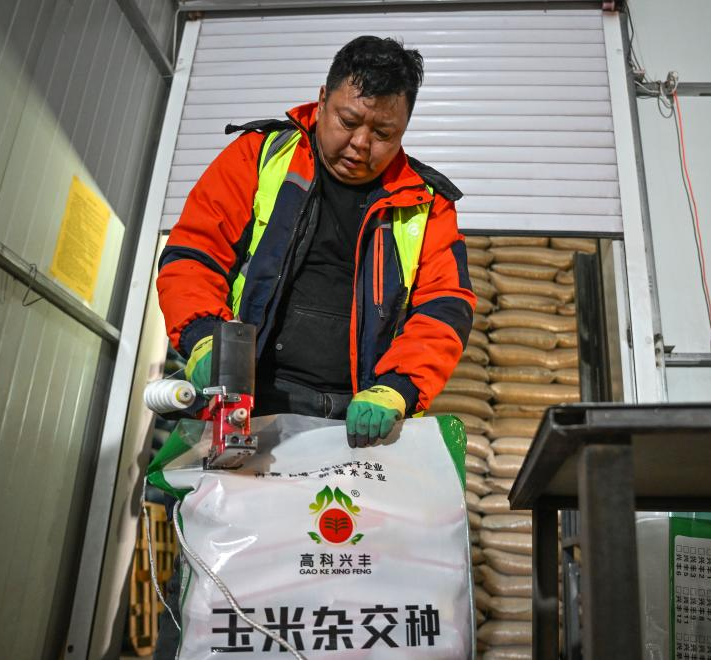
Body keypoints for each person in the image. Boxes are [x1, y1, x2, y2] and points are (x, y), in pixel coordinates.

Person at [156, 35, 475, 447]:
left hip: (358, 420)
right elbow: (194, 256)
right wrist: (203, 336)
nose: (361, 144)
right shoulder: (259, 156)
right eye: (349, 122)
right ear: (323, 100)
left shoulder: (426, 203)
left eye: (383, 132)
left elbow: (445, 306)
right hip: (246, 402)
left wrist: (398, 386)